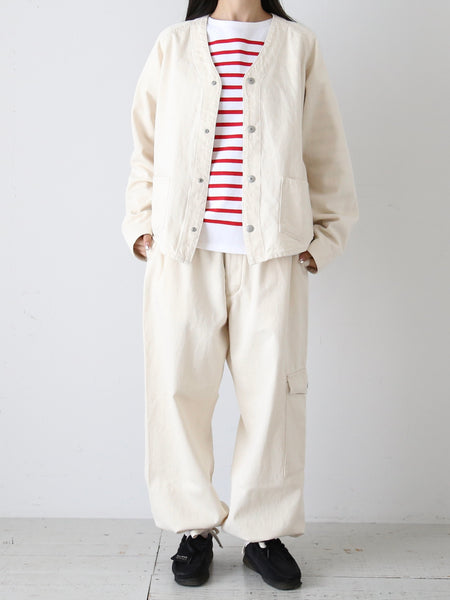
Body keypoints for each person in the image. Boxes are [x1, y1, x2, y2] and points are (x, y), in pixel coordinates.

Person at [122, 0, 358, 591]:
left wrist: (325, 239)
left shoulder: (297, 45)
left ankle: (263, 533)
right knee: (177, 390)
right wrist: (142, 226)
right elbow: (145, 143)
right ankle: (193, 529)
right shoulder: (175, 44)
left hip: (272, 254)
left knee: (273, 396)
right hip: (182, 253)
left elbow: (325, 148)